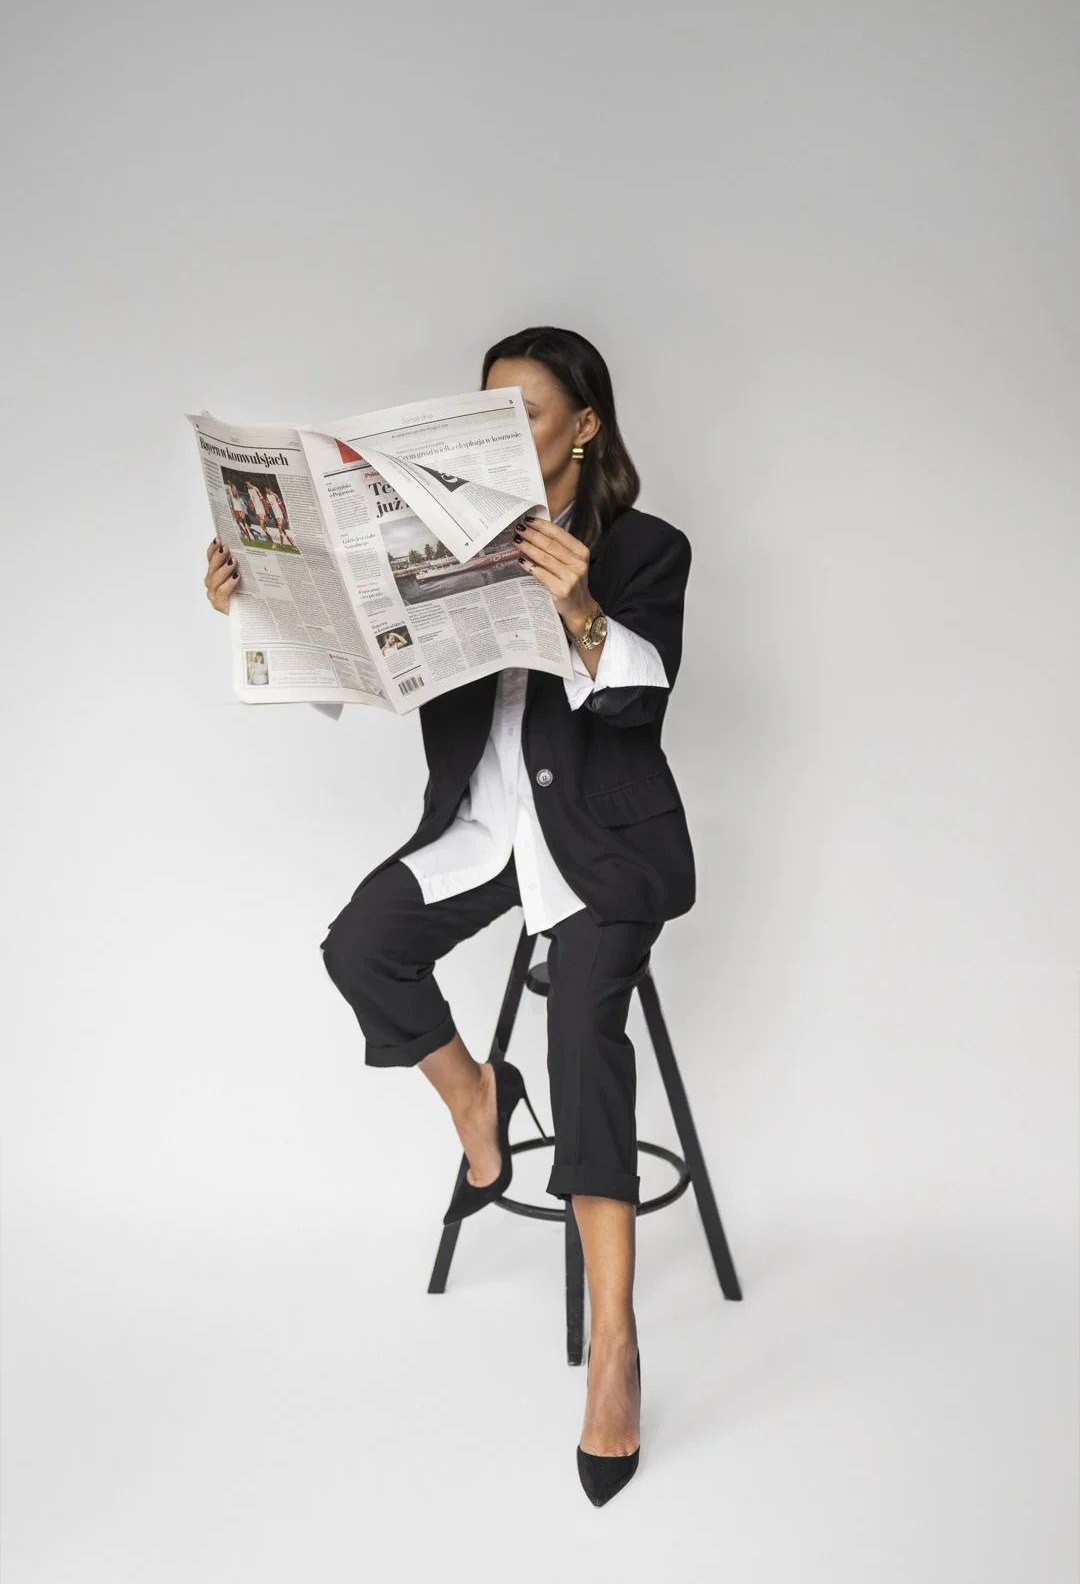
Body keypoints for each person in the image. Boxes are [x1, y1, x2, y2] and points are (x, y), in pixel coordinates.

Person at [202, 326, 695, 1506]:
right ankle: (479, 1102)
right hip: (480, 833)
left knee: (583, 1041)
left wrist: (578, 613)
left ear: (584, 427)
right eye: (487, 421)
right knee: (360, 945)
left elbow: (643, 697)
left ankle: (616, 1354)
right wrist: (260, 601)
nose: (508, 443)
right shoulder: (448, 536)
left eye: (523, 419)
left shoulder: (644, 550)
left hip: (599, 850)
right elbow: (366, 671)